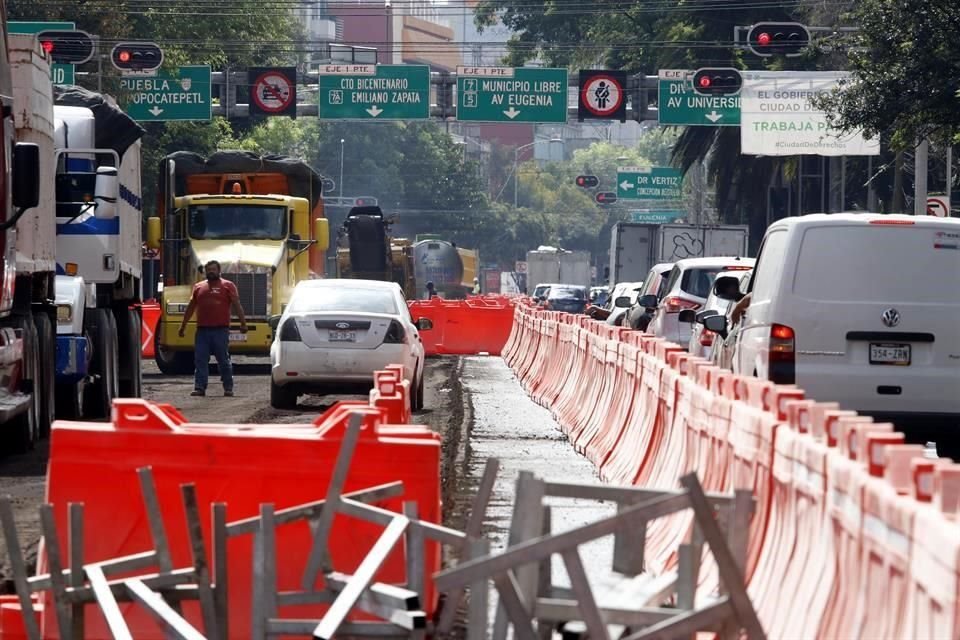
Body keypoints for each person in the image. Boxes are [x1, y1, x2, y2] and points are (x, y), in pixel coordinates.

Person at [178, 260, 247, 397]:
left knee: (223, 360)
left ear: (219, 271)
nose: (211, 271)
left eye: (213, 269)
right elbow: (191, 307)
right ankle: (199, 387)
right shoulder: (198, 287)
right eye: (208, 269)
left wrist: (243, 323)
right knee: (200, 360)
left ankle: (228, 387)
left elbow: (237, 305)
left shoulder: (228, 286)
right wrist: (183, 325)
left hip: (220, 331)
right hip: (202, 331)